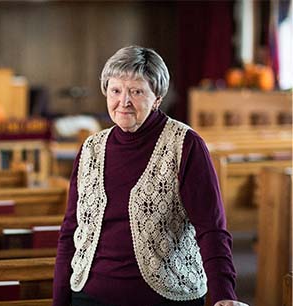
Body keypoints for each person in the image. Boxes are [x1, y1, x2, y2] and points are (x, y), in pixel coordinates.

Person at [53, 46, 249, 306]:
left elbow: (211, 228)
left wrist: (225, 295)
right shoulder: (91, 148)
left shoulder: (185, 145)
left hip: (164, 297)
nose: (124, 101)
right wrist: (59, 300)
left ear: (157, 97)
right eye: (115, 90)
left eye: (136, 91)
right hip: (89, 296)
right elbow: (70, 231)